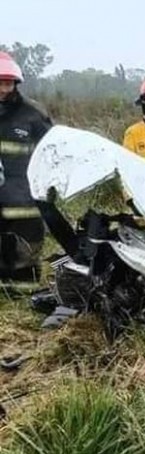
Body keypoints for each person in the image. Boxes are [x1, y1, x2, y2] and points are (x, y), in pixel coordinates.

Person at [0, 52, 52, 295]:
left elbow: (51, 150)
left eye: (8, 83)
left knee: (26, 251)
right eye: (0, 83)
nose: (4, 89)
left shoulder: (33, 113)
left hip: (25, 200)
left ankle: (23, 297)